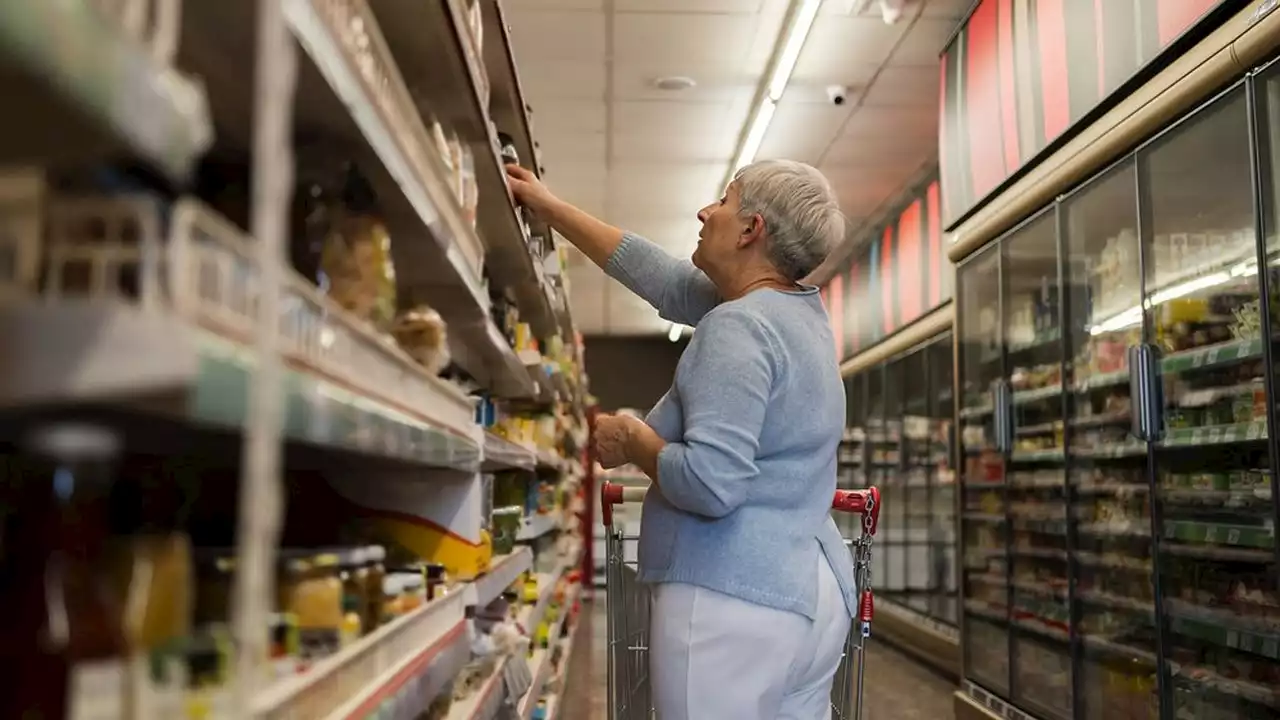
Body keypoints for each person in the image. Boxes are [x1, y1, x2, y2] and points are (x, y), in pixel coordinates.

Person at [506, 160, 857, 720]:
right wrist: (550, 208)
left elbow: (711, 484)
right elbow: (664, 279)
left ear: (750, 230)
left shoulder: (737, 329)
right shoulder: (798, 318)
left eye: (724, 200)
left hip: (730, 599)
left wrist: (632, 439)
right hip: (807, 589)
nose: (705, 211)